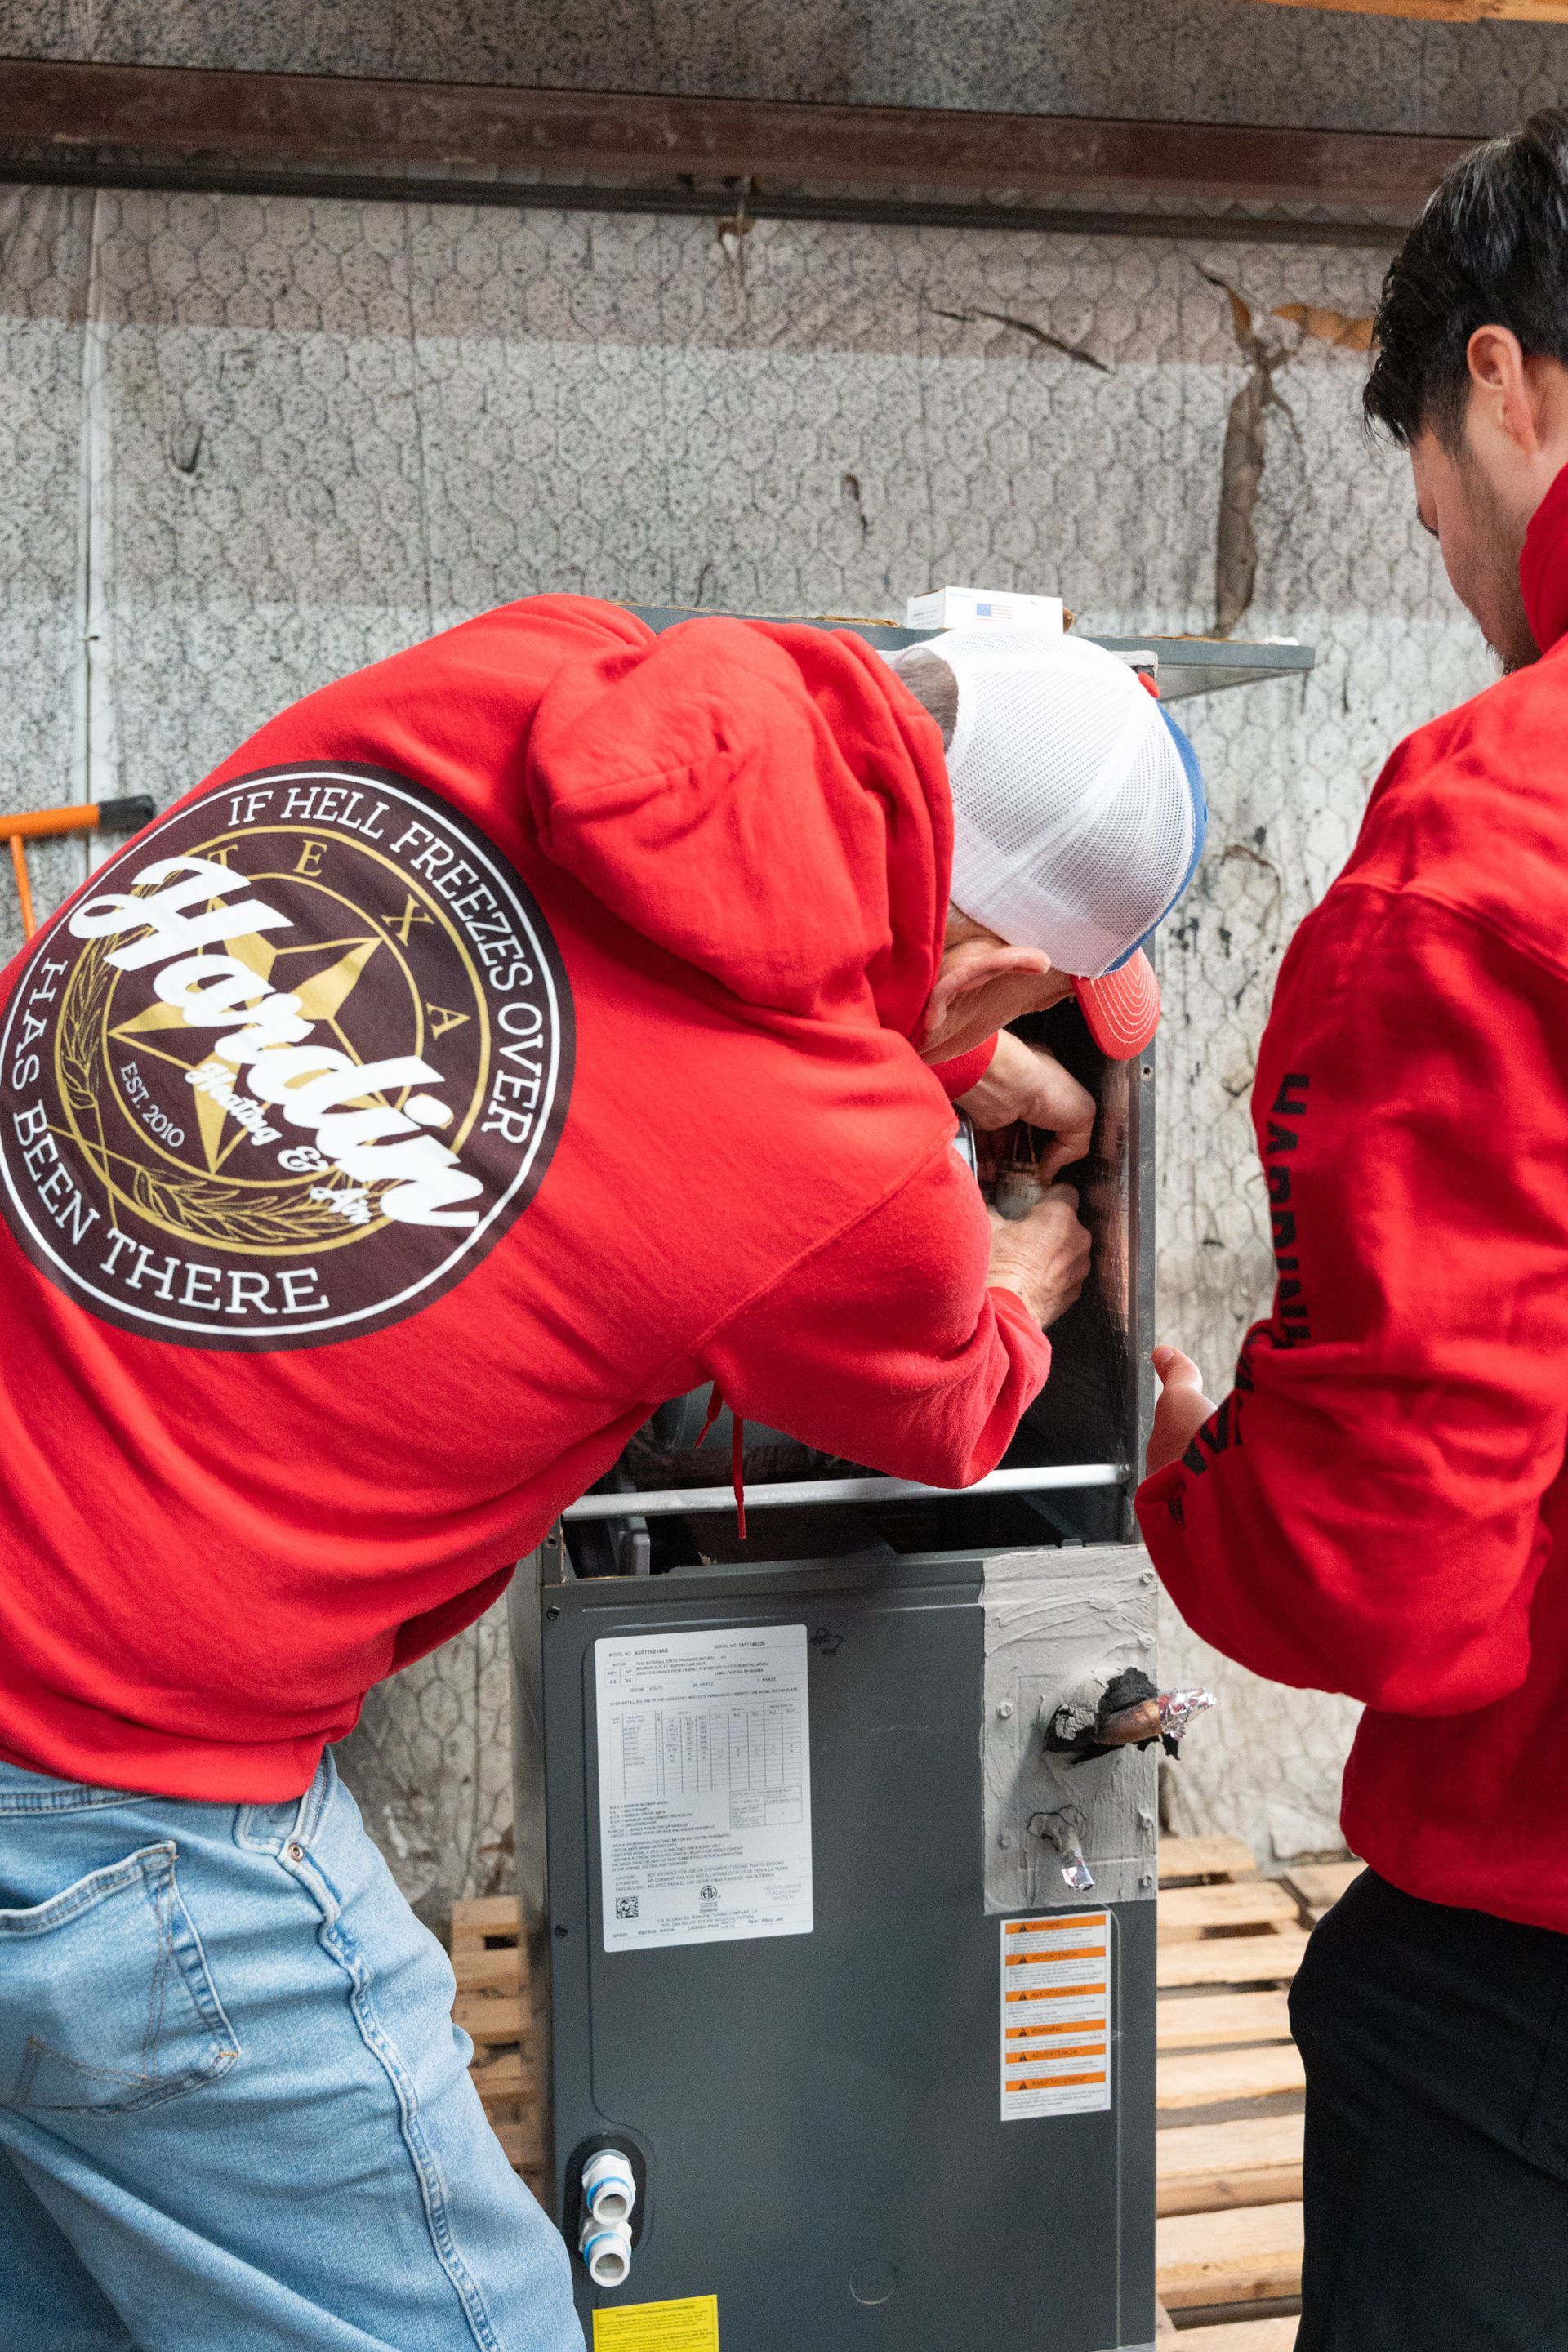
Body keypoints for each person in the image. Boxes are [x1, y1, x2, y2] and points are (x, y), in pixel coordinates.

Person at [0, 599, 1204, 2348]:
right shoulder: (838, 1167)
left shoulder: (526, 669)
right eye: (1027, 982)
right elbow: (947, 1406)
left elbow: (646, 979)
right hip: (111, 1799)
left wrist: (948, 1043)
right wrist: (1021, 1275)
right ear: (980, 952)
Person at [1140, 109, 1568, 2352]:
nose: (1469, 584)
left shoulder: (1491, 836)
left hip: (1526, 1996)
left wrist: (1196, 1474)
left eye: (1439, 518)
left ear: (1509, 384)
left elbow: (1390, 1552)